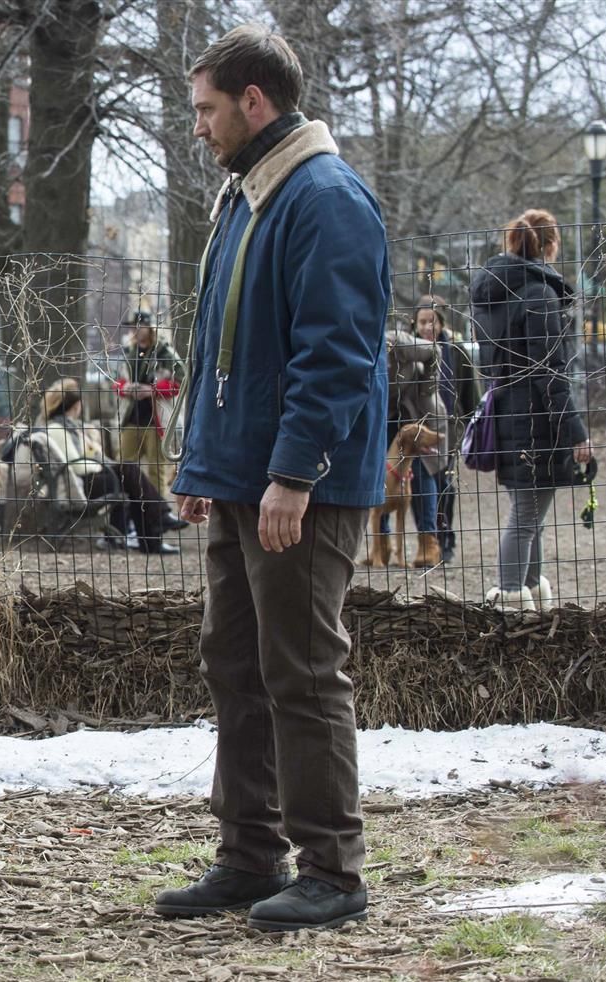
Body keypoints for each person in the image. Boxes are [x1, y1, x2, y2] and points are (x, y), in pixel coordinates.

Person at [156, 25, 389, 932]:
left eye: (207, 110)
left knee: (300, 672)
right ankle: (249, 857)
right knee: (236, 666)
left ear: (255, 101)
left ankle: (332, 870)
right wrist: (201, 463)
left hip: (301, 491)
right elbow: (225, 345)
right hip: (240, 482)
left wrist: (292, 474)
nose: (200, 129)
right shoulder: (250, 195)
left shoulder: (323, 198)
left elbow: (336, 357)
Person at [470, 209, 590, 610]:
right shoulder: (539, 294)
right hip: (536, 421)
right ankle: (510, 601)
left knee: (530, 517)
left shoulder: (491, 296)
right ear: (550, 244)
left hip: (506, 416)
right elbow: (551, 372)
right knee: (525, 518)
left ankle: (529, 595)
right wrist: (576, 432)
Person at [39, 377, 179, 554]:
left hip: (87, 480)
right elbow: (77, 467)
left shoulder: (71, 428)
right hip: (80, 484)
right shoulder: (57, 429)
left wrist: (93, 451)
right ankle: (158, 523)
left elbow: (85, 457)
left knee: (131, 479)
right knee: (128, 471)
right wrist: (99, 462)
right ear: (75, 406)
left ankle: (153, 536)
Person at [412, 296, 479, 563]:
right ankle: (427, 540)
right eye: (423, 322)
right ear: (414, 323)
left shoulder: (456, 351)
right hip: (415, 433)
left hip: (448, 431)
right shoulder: (407, 350)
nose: (428, 327)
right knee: (419, 486)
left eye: (433, 321)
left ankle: (446, 537)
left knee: (444, 487)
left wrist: (474, 426)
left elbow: (470, 395)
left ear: (441, 322)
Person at [385, 323, 447, 567]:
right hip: (386, 415)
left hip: (417, 410)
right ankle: (381, 545)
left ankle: (427, 543)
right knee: (377, 476)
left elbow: (435, 351)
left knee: (421, 471)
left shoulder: (398, 343)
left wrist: (425, 389)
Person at [114, 311, 184, 497]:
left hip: (157, 421)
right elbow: (116, 381)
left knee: (156, 472)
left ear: (149, 327)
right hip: (131, 418)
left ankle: (158, 514)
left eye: (139, 326)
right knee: (123, 467)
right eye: (132, 326)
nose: (135, 330)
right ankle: (126, 510)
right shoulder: (129, 352)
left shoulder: (165, 353)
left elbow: (180, 382)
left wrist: (151, 390)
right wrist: (126, 388)